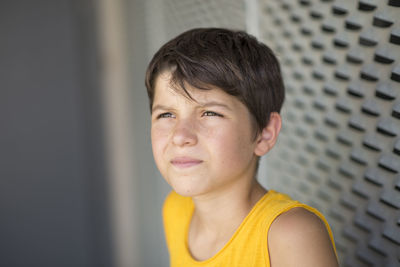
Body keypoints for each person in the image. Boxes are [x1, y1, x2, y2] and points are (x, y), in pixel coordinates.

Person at [145, 28, 338, 266]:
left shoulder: (290, 234)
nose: (180, 136)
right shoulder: (175, 210)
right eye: (166, 114)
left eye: (210, 112)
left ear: (264, 133)